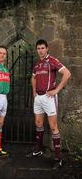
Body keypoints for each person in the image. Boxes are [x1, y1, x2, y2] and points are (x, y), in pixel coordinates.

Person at [27, 39, 71, 169]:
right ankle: (39, 149)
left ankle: (58, 158)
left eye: (42, 48)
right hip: (38, 98)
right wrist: (34, 91)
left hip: (49, 97)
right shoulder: (37, 64)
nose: (40, 50)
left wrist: (56, 90)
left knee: (53, 127)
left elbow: (67, 73)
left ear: (47, 49)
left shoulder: (52, 60)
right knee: (39, 123)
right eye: (38, 48)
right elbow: (33, 77)